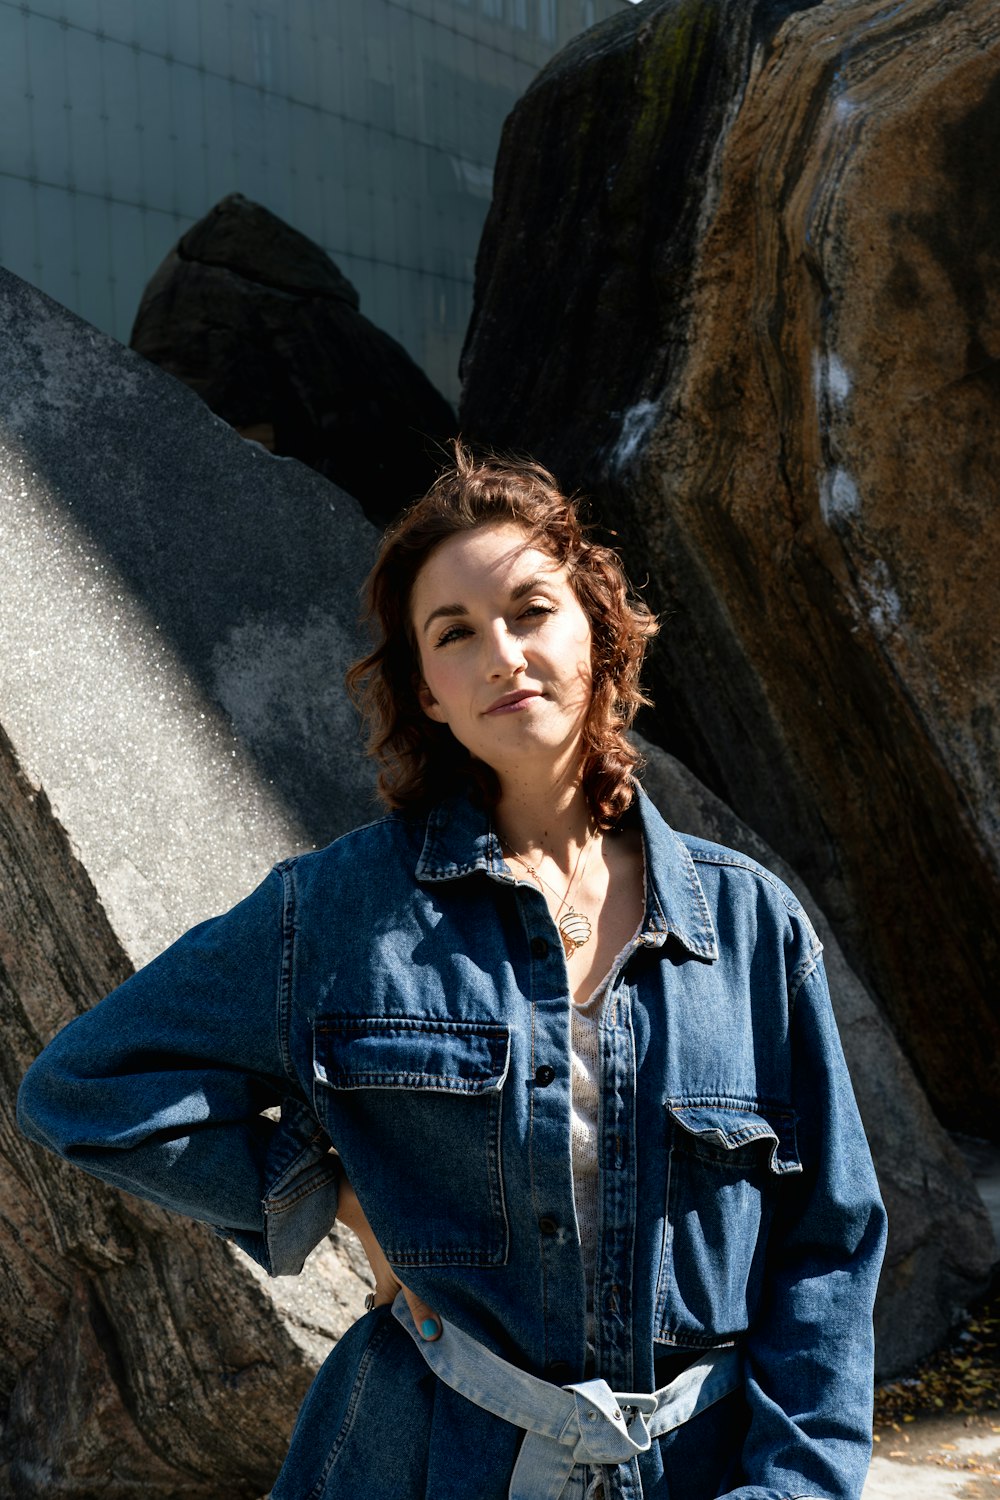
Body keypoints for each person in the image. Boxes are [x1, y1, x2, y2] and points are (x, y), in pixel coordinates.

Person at [18, 443, 886, 1500]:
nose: (501, 654)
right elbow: (85, 1088)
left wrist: (795, 1486)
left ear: (598, 634)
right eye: (456, 634)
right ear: (426, 691)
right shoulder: (338, 911)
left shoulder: (749, 924)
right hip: (424, 1456)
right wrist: (332, 1196)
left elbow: (828, 1246)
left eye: (530, 611)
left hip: (701, 1469)